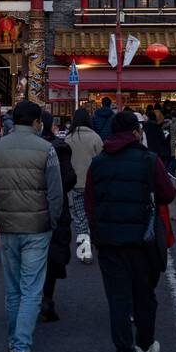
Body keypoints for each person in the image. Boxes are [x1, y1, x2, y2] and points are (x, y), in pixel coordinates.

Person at [85, 109, 176, 352]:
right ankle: (145, 345)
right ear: (136, 133)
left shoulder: (99, 162)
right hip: (143, 240)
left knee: (118, 300)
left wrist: (96, 232)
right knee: (144, 296)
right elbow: (168, 194)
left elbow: (90, 203)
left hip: (110, 242)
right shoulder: (149, 160)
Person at [0, 100, 63, 352]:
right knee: (31, 290)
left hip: (7, 226)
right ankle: (21, 351)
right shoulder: (46, 149)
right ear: (37, 122)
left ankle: (14, 347)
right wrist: (52, 219)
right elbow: (55, 193)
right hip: (37, 227)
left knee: (13, 289)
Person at [39, 110, 77, 322]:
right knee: (52, 254)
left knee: (29, 255)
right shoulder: (59, 148)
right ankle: (47, 296)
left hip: (27, 209)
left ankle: (30, 297)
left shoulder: (24, 149)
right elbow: (69, 178)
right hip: (55, 208)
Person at [66, 106, 103, 263]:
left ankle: (85, 252)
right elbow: (102, 161)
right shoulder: (95, 138)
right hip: (93, 184)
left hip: (75, 185)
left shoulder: (68, 138)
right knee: (95, 216)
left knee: (80, 219)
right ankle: (99, 243)